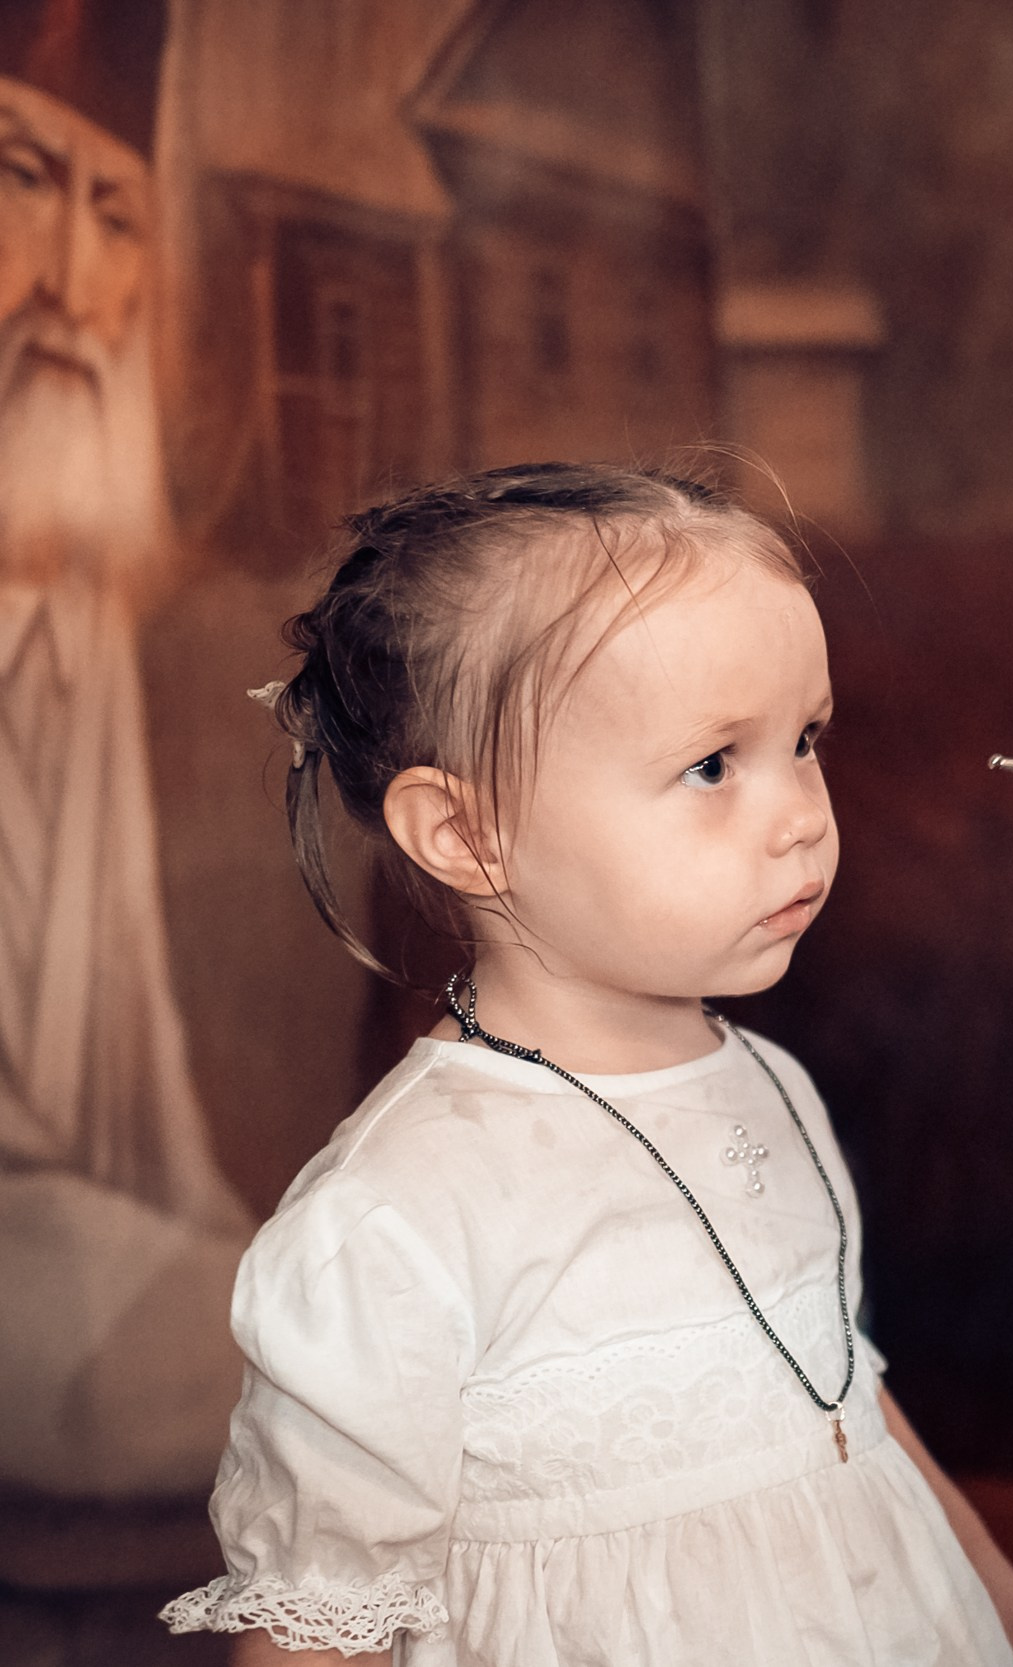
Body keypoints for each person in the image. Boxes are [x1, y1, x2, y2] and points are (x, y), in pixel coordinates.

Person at [161, 466, 1013, 1667]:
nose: (802, 811)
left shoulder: (769, 1083)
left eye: (805, 741)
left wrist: (984, 1576)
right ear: (468, 833)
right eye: (713, 765)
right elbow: (316, 1630)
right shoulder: (396, 1219)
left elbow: (829, 1376)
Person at [0, 0, 255, 1499]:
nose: (78, 289)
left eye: (121, 216)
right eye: (20, 177)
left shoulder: (82, 620)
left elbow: (133, 1126)